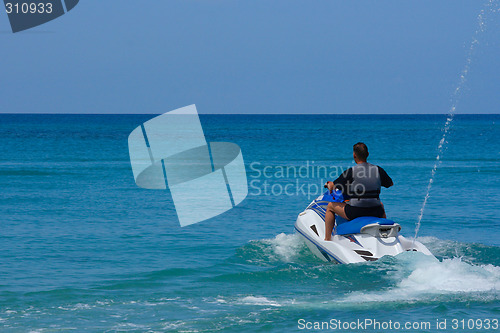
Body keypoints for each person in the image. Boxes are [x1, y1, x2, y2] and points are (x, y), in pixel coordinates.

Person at [324, 142, 393, 241]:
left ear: (354, 155)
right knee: (380, 205)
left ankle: (327, 239)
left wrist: (328, 184)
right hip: (375, 211)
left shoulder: (351, 171)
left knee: (330, 206)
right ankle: (385, 234)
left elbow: (333, 187)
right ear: (368, 154)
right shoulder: (378, 170)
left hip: (356, 211)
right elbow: (390, 184)